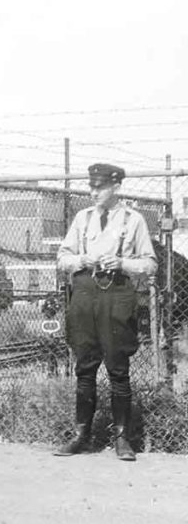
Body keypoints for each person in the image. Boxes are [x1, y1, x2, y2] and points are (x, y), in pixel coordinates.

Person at [55, 163, 157, 460]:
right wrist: (82, 259)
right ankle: (81, 435)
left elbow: (150, 263)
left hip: (117, 295)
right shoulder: (82, 218)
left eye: (99, 187)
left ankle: (122, 438)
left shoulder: (132, 219)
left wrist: (123, 263)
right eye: (91, 187)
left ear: (116, 188)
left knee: (118, 369)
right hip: (85, 293)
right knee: (85, 367)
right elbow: (63, 257)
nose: (93, 192)